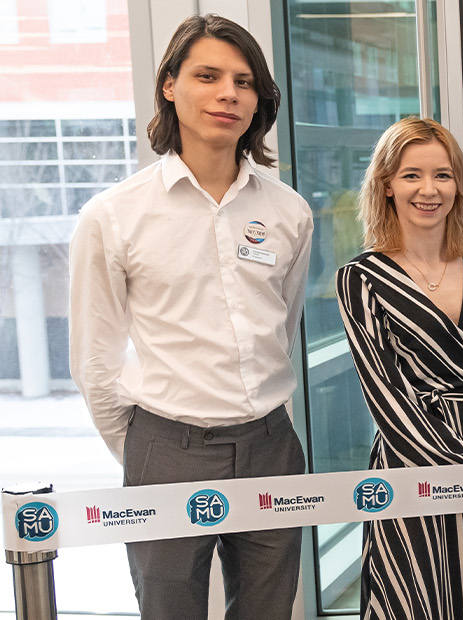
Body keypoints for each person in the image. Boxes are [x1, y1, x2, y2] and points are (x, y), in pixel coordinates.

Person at [67, 15, 310, 619]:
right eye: (207, 75)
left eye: (244, 81)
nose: (228, 93)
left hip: (271, 445)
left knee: (269, 612)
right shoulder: (114, 216)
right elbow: (94, 359)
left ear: (259, 102)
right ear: (169, 85)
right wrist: (145, 450)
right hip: (166, 447)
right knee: (169, 609)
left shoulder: (289, 212)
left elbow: (284, 323)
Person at [336, 118, 463, 619]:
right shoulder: (360, 279)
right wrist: (460, 467)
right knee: (416, 597)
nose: (429, 190)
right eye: (411, 175)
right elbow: (384, 394)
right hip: (414, 465)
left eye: (443, 175)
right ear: (386, 184)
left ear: (459, 184)